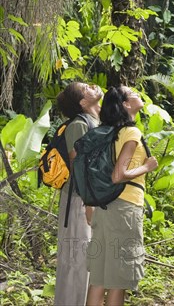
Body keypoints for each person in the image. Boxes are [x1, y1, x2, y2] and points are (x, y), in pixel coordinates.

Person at [86, 85, 158, 306]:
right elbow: (119, 175)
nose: (138, 94)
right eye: (133, 93)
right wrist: (147, 167)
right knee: (118, 280)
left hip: (104, 208)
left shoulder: (109, 132)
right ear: (126, 104)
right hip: (124, 209)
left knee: (98, 279)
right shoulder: (132, 132)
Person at [54, 82, 103, 306]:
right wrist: (89, 203)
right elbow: (79, 167)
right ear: (83, 102)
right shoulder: (79, 125)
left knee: (88, 259)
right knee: (76, 261)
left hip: (91, 200)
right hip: (79, 201)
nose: (93, 85)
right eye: (86, 87)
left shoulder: (97, 123)